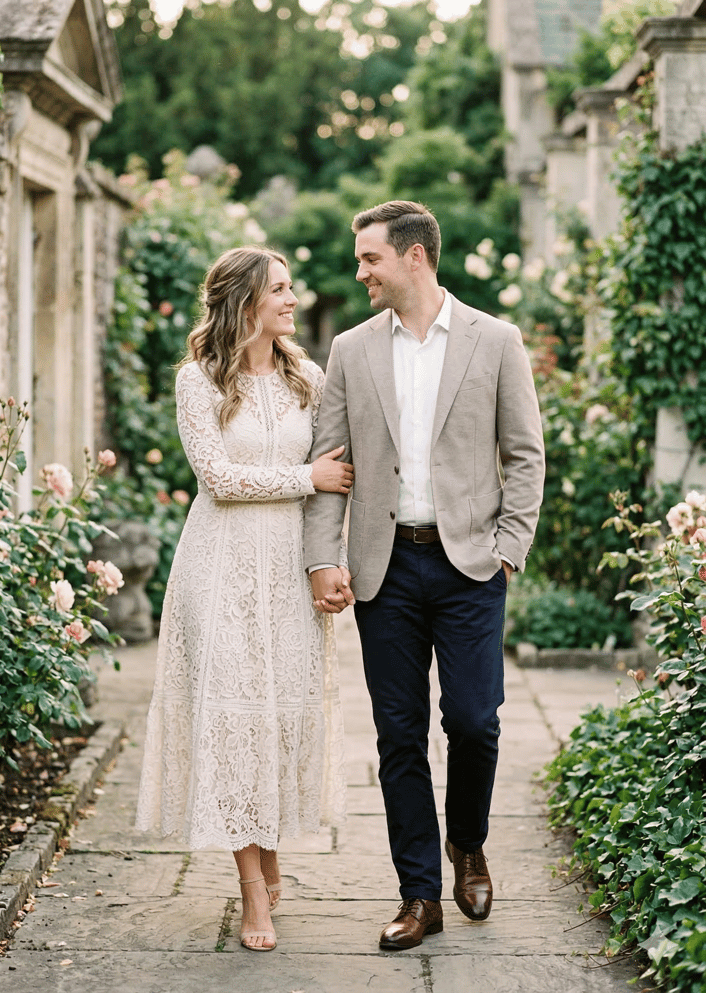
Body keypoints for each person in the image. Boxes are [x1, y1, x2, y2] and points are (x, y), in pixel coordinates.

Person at [304, 201, 544, 950]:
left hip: (471, 563)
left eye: (370, 258)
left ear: (414, 257)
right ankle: (419, 893)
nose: (360, 271)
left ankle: (467, 843)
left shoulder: (495, 341)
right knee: (398, 734)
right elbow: (332, 464)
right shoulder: (350, 349)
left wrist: (509, 546)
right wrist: (323, 557)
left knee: (475, 721)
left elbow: (526, 454)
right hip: (385, 567)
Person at [135, 246, 350, 952]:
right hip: (221, 566)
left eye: (291, 288)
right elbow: (219, 477)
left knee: (279, 712)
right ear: (246, 300)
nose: (294, 299)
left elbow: (337, 475)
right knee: (233, 718)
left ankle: (272, 845)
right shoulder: (196, 380)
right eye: (281, 290)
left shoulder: (306, 378)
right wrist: (306, 476)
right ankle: (252, 887)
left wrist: (330, 553)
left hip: (288, 567)